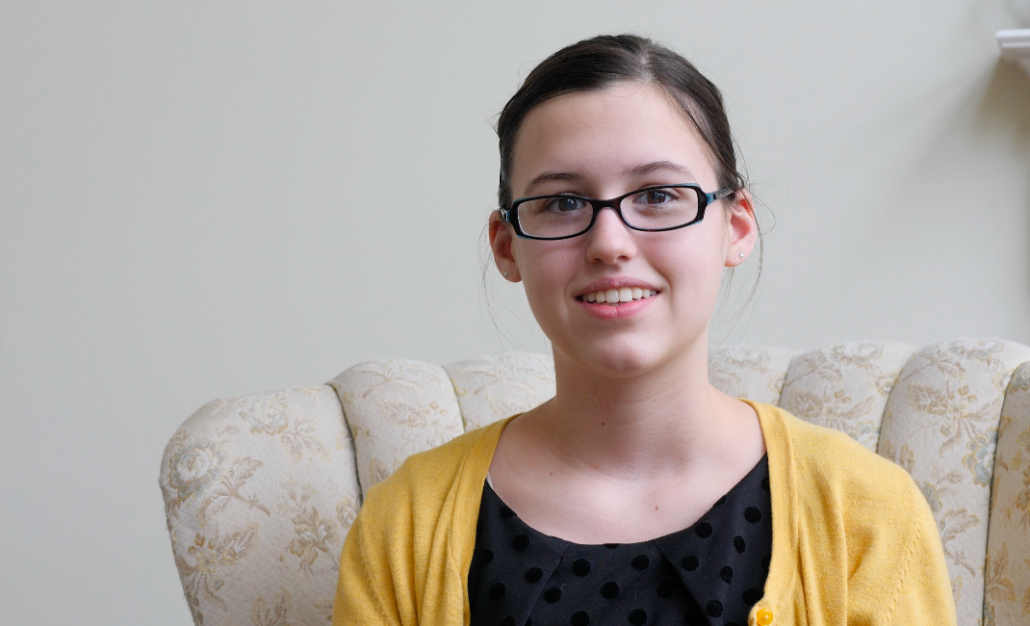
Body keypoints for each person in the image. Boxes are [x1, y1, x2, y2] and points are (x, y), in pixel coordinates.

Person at [332, 34, 956, 626]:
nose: (610, 243)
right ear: (507, 246)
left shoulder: (863, 511)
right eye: (563, 202)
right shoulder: (403, 524)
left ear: (734, 226)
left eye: (658, 195)